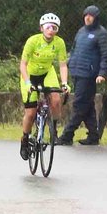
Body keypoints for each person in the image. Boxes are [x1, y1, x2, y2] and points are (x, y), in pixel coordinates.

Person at [18, 12, 69, 160]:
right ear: (41, 28)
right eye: (48, 27)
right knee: (31, 113)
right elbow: (23, 64)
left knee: (56, 99)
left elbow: (63, 65)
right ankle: (25, 139)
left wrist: (64, 83)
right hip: (29, 74)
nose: (51, 30)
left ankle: (53, 128)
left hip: (47, 73)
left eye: (54, 28)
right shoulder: (33, 41)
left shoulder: (59, 43)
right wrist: (27, 83)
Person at [59, 5, 107, 146]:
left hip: (89, 74)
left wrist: (102, 73)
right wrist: (69, 63)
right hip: (77, 71)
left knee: (79, 104)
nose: (87, 17)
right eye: (86, 15)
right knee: (87, 105)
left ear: (96, 17)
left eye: (91, 15)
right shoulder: (81, 31)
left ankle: (67, 135)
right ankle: (94, 136)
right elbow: (74, 49)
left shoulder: (101, 33)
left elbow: (106, 55)